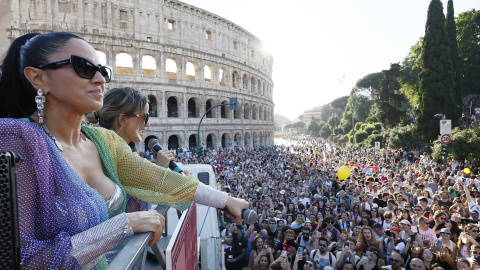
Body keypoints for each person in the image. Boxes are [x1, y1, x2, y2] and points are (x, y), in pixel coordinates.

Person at [0, 32, 248, 269]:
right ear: (37, 78)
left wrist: (225, 200)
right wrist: (123, 225)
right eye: (83, 68)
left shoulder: (103, 140)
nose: (99, 79)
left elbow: (160, 178)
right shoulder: (17, 138)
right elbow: (22, 261)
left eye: (102, 71)